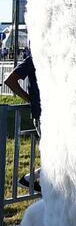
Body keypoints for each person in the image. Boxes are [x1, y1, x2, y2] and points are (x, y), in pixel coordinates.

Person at [5, 49, 43, 192]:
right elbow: (10, 80)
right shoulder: (34, 58)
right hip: (42, 115)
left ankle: (30, 179)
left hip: (54, 114)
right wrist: (31, 100)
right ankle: (29, 179)